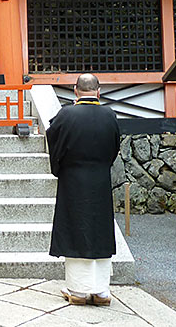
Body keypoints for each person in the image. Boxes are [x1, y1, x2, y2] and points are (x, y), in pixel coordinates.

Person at [46, 73, 120, 306]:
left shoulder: (66, 115)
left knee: (75, 228)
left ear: (75, 91)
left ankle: (78, 291)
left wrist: (59, 167)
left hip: (73, 180)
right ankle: (101, 292)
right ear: (99, 92)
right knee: (99, 229)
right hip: (99, 179)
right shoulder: (110, 115)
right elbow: (115, 147)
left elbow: (53, 139)